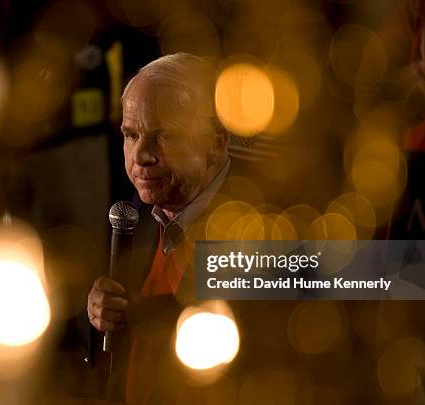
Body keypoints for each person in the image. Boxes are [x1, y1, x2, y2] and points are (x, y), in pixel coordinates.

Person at [81, 53, 239, 404]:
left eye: (164, 135)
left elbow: (380, 275)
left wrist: (149, 315)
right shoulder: (130, 220)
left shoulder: (269, 218)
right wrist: (96, 313)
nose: (140, 156)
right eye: (131, 135)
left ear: (217, 140)